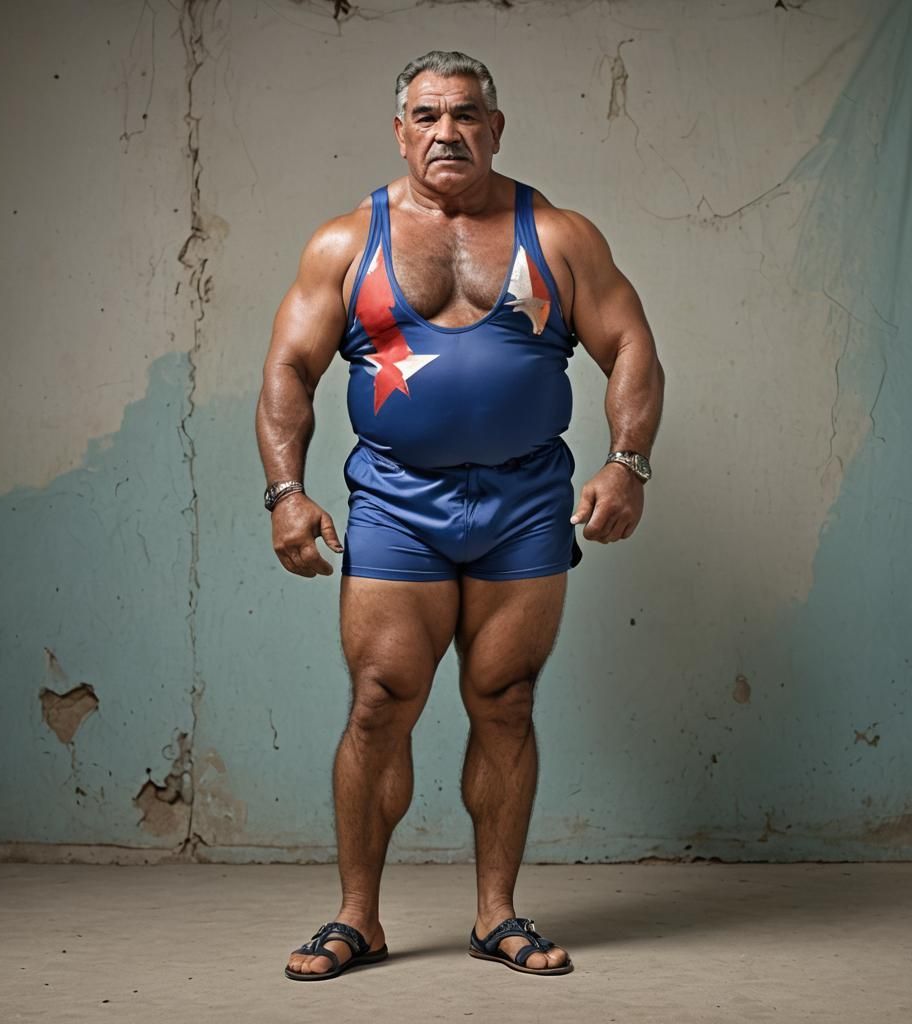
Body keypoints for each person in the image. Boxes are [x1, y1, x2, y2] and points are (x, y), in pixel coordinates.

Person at [255, 50, 665, 981]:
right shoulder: (345, 243)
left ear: (495, 128)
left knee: (506, 700)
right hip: (398, 502)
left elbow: (631, 343)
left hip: (525, 503)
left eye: (466, 115)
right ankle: (357, 918)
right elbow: (288, 369)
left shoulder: (556, 236)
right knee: (380, 701)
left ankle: (496, 915)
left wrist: (627, 462)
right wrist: (286, 491)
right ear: (400, 131)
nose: (448, 132)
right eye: (428, 116)